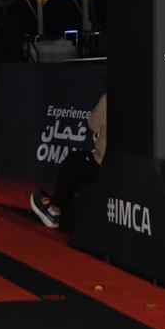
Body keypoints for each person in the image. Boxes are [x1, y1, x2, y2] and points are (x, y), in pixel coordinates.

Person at [30, 93, 107, 229]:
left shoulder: (109, 98)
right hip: (128, 170)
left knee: (74, 160)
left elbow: (93, 124)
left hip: (103, 166)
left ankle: (54, 211)